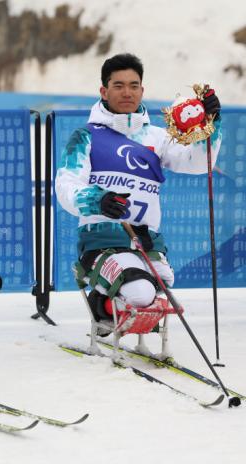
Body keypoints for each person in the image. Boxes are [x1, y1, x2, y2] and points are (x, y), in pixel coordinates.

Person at [55, 53, 222, 321]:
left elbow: (198, 162)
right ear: (104, 90)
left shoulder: (157, 137)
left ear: (142, 91)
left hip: (146, 240)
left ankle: (119, 294)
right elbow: (66, 185)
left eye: (133, 86)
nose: (127, 92)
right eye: (118, 85)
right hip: (103, 240)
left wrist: (210, 126)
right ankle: (101, 305)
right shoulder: (87, 136)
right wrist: (97, 200)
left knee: (163, 281)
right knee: (141, 293)